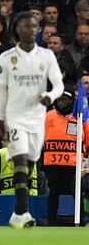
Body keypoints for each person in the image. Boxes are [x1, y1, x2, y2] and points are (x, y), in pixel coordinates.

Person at [0, 12, 64, 229]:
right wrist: (0, 120)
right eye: (27, 26)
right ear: (17, 29)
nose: (31, 30)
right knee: (21, 159)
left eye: (34, 26)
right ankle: (24, 212)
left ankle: (17, 213)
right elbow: (1, 91)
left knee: (31, 162)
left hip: (37, 119)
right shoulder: (7, 58)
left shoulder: (46, 56)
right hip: (15, 117)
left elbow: (58, 85)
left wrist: (50, 97)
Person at [43, 85, 89, 226]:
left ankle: (80, 221)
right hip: (53, 163)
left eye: (65, 100)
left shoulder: (81, 117)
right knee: (54, 193)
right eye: (59, 99)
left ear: (72, 101)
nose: (62, 102)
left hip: (73, 165)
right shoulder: (48, 116)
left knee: (76, 193)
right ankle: (51, 222)